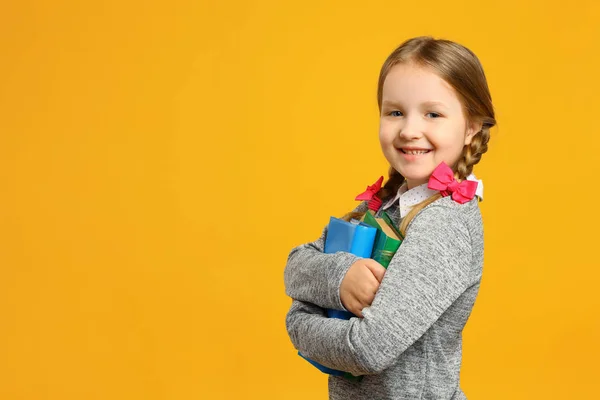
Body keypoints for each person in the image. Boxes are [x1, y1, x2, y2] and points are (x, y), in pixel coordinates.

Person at [283, 36, 496, 399]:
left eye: (433, 114)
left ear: (472, 126)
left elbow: (367, 349)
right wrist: (342, 277)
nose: (409, 129)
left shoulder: (445, 222)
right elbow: (296, 264)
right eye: (395, 112)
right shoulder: (384, 204)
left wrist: (298, 323)